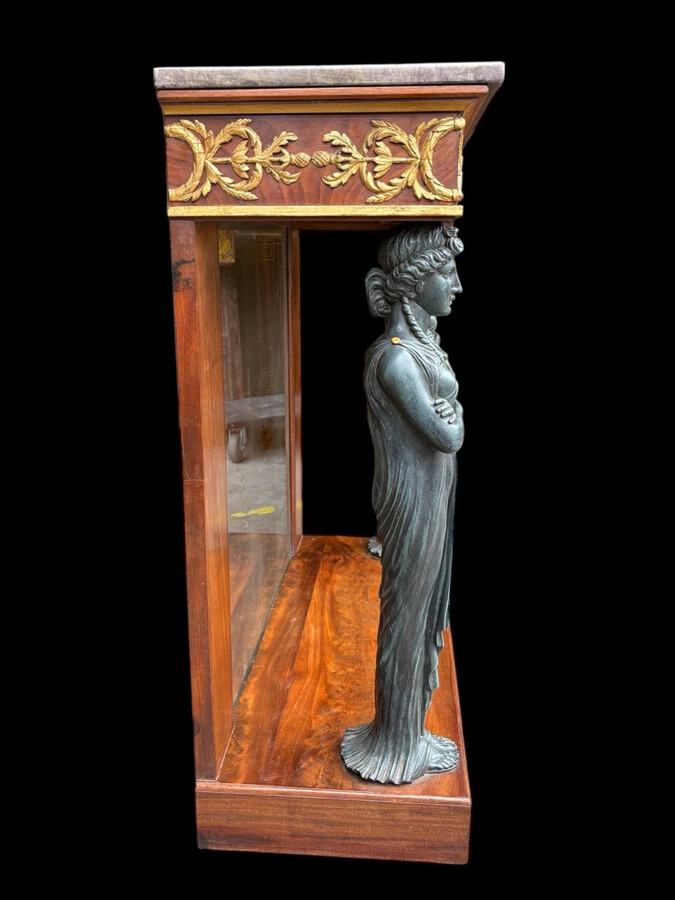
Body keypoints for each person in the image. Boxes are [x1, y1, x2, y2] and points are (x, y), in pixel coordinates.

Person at [341, 223, 465, 784]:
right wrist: (455, 419)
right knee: (406, 619)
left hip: (431, 494)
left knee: (415, 616)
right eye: (447, 273)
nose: (457, 285)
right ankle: (393, 746)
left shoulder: (417, 350)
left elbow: (448, 425)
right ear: (415, 285)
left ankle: (405, 732)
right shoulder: (394, 360)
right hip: (412, 504)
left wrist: (452, 418)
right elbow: (448, 436)